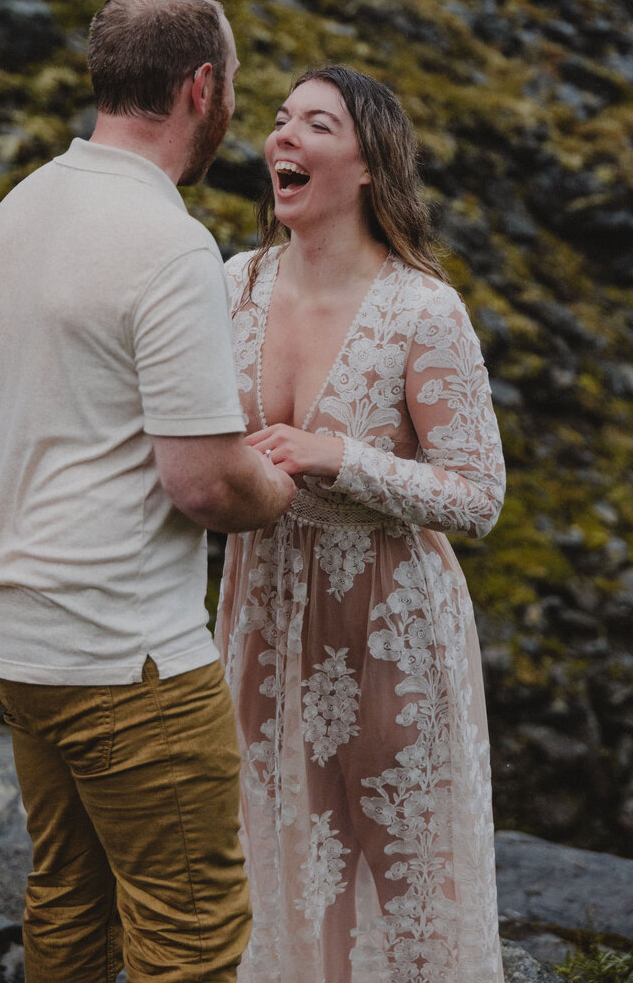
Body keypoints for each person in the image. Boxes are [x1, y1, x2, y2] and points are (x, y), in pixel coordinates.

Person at [0, 0, 296, 983]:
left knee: (69, 901)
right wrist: (274, 483)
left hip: (10, 638)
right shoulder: (171, 243)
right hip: (122, 659)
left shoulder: (23, 204)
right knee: (188, 936)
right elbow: (202, 487)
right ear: (201, 88)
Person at [214, 65, 506, 983]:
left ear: (370, 162)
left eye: (316, 124)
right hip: (261, 610)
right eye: (278, 121)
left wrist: (341, 457)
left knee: (405, 875)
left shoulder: (424, 308)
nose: (283, 139)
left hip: (390, 623)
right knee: (279, 861)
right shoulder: (235, 283)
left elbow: (479, 495)